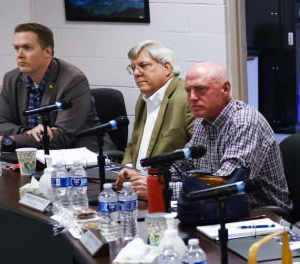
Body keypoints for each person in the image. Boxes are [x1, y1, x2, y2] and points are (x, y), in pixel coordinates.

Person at [115, 62, 290, 210]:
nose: (192, 97)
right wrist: (145, 179)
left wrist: (160, 188)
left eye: (200, 89)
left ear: (225, 89)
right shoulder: (203, 120)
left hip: (261, 214)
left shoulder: (244, 122)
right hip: (216, 207)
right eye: (188, 91)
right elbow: (182, 166)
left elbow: (227, 184)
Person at [0, 22, 99, 153]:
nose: (19, 54)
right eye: (16, 48)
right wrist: (27, 131)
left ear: (47, 52)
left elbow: (61, 137)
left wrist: (9, 141)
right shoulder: (11, 79)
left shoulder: (73, 80)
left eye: (27, 48)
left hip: (76, 158)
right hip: (30, 155)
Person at [120, 40, 194, 167]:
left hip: (167, 182)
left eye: (143, 65)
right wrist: (127, 168)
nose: (136, 73)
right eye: (133, 68)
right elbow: (134, 143)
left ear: (166, 68)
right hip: (138, 181)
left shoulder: (186, 98)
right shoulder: (144, 98)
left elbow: (198, 152)